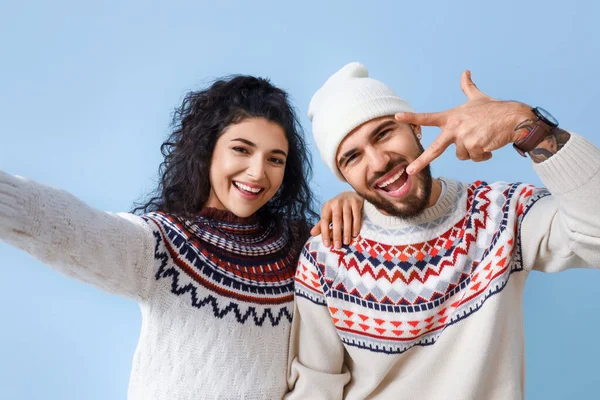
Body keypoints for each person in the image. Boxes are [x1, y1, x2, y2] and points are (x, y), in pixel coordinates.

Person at [0, 75, 363, 400]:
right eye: (241, 149)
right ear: (207, 149)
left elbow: (395, 246)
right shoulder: (162, 243)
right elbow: (65, 226)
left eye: (275, 159)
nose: (256, 172)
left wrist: (359, 200)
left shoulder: (301, 244)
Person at [286, 62, 600, 399]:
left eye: (384, 133)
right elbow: (315, 387)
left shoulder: (501, 213)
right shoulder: (326, 254)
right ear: (344, 177)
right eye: (352, 157)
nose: (378, 162)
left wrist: (524, 124)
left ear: (416, 129)